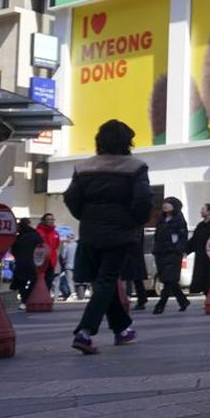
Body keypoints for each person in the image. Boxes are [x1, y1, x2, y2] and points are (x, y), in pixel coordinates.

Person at [63, 119, 152, 354]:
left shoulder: (83, 167)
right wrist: (134, 221)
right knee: (106, 281)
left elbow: (71, 198)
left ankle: (122, 329)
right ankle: (84, 331)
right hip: (120, 233)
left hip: (90, 232)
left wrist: (87, 216)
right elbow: (143, 201)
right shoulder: (135, 167)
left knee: (104, 282)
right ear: (127, 142)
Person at [152, 197, 190, 314]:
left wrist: (177, 248)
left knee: (169, 279)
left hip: (173, 253)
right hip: (161, 252)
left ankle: (160, 305)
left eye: (168, 204)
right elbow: (157, 235)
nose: (165, 206)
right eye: (164, 204)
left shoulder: (179, 219)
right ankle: (183, 301)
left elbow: (183, 237)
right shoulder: (161, 219)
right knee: (168, 279)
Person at [186, 204, 210, 296]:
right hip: (201, 256)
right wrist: (185, 249)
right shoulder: (200, 225)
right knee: (201, 277)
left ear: (209, 211)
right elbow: (194, 239)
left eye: (203, 209)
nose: (201, 211)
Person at [10, 218, 43, 308]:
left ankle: (23, 300)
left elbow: (13, 250)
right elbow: (41, 247)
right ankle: (25, 299)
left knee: (22, 282)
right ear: (29, 224)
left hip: (20, 262)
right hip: (31, 262)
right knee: (33, 279)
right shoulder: (35, 235)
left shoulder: (18, 237)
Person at [36, 214, 60, 297]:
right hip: (40, 260)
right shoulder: (38, 231)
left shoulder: (55, 233)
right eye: (48, 219)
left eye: (52, 219)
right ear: (43, 220)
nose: (50, 221)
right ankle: (39, 296)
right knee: (39, 280)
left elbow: (56, 245)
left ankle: (46, 296)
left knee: (49, 280)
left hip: (51, 260)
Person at [57, 230, 78, 300]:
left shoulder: (67, 246)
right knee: (75, 279)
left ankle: (73, 293)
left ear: (69, 238)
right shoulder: (78, 246)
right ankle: (77, 293)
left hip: (68, 266)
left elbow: (63, 256)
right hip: (77, 265)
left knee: (70, 280)